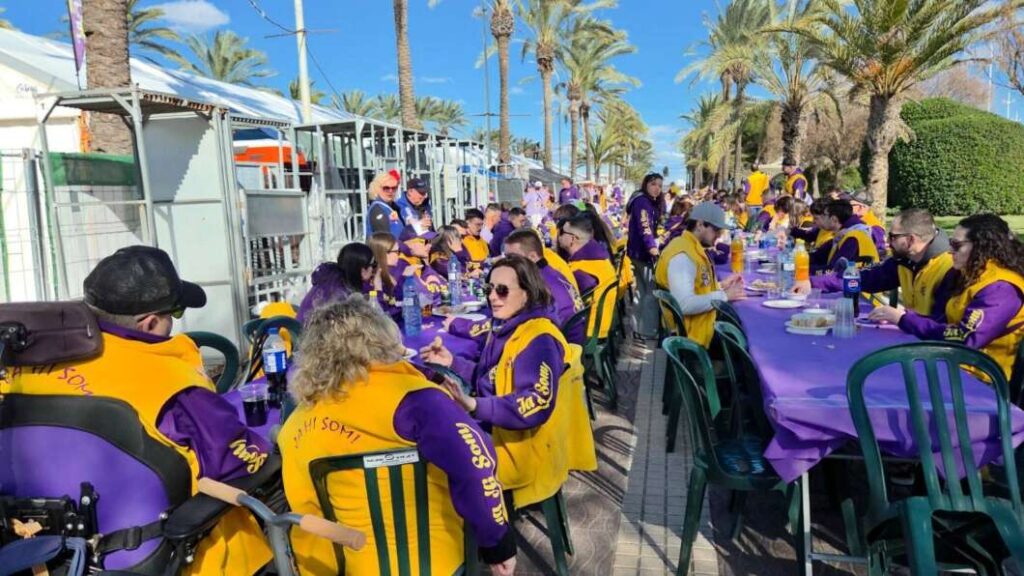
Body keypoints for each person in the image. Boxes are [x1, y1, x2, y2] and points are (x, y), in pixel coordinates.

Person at [2, 246, 273, 575]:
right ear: (149, 324)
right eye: (173, 315)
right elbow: (239, 459)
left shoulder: (19, 373)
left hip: (43, 557)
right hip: (170, 556)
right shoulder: (168, 380)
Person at [279, 296, 517, 576]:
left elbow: (302, 503)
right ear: (381, 339)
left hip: (342, 565)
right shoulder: (416, 400)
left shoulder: (296, 424)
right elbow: (476, 462)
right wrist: (497, 543)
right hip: (430, 560)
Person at [420, 255, 597, 508]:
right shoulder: (507, 326)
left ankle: (482, 538)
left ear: (527, 293)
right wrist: (453, 363)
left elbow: (535, 404)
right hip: (500, 427)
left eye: (502, 290)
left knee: (430, 455)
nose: (493, 297)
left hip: (520, 447)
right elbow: (492, 378)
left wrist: (473, 405)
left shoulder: (539, 339)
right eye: (488, 289)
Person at [868, 214, 1024, 379]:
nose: (950, 251)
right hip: (951, 364)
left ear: (982, 247)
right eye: (951, 243)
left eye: (957, 245)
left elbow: (966, 338)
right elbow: (944, 321)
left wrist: (904, 320)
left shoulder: (1001, 288)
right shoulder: (972, 274)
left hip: (981, 380)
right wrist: (903, 316)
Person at [795, 208, 954, 318]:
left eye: (892, 236)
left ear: (911, 239)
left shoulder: (949, 268)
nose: (887, 242)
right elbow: (864, 278)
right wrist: (812, 282)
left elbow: (940, 324)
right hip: (911, 336)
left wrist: (903, 319)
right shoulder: (904, 260)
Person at [654, 202, 746, 347]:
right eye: (716, 230)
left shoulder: (691, 247)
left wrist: (721, 286)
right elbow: (684, 304)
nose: (719, 236)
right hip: (693, 335)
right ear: (700, 225)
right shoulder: (683, 255)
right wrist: (724, 296)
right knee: (748, 341)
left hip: (700, 325)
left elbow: (697, 287)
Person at [504, 229, 585, 345]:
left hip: (562, 345)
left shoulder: (538, 284)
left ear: (532, 256)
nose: (507, 262)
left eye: (512, 257)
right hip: (575, 336)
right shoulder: (552, 272)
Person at [560, 213, 617, 339]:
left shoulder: (582, 268)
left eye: (561, 232)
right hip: (603, 323)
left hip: (590, 331)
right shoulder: (597, 255)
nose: (558, 235)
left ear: (572, 238)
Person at [298, 242, 383, 323]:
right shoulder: (340, 293)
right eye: (373, 265)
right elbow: (376, 318)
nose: (374, 270)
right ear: (362, 270)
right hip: (316, 335)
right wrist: (378, 290)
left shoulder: (330, 280)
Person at [626, 173, 665, 340]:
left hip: (637, 252)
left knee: (641, 291)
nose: (657, 188)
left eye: (659, 185)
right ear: (646, 185)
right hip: (643, 253)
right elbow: (645, 227)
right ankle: (648, 330)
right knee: (650, 293)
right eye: (653, 184)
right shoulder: (642, 201)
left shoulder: (645, 200)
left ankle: (638, 328)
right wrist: (652, 247)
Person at [815, 198, 881, 274]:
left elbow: (834, 272)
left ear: (834, 219)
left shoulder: (852, 237)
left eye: (824, 216)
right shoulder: (842, 234)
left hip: (860, 283)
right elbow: (819, 256)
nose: (820, 219)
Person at [841, 190, 887, 255]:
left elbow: (880, 251)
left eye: (850, 205)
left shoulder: (874, 226)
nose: (847, 207)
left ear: (861, 207)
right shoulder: (854, 221)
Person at [366, 170, 405, 237]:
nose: (390, 191)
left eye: (394, 188)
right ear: (377, 188)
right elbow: (385, 241)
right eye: (386, 188)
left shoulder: (394, 206)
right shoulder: (377, 209)